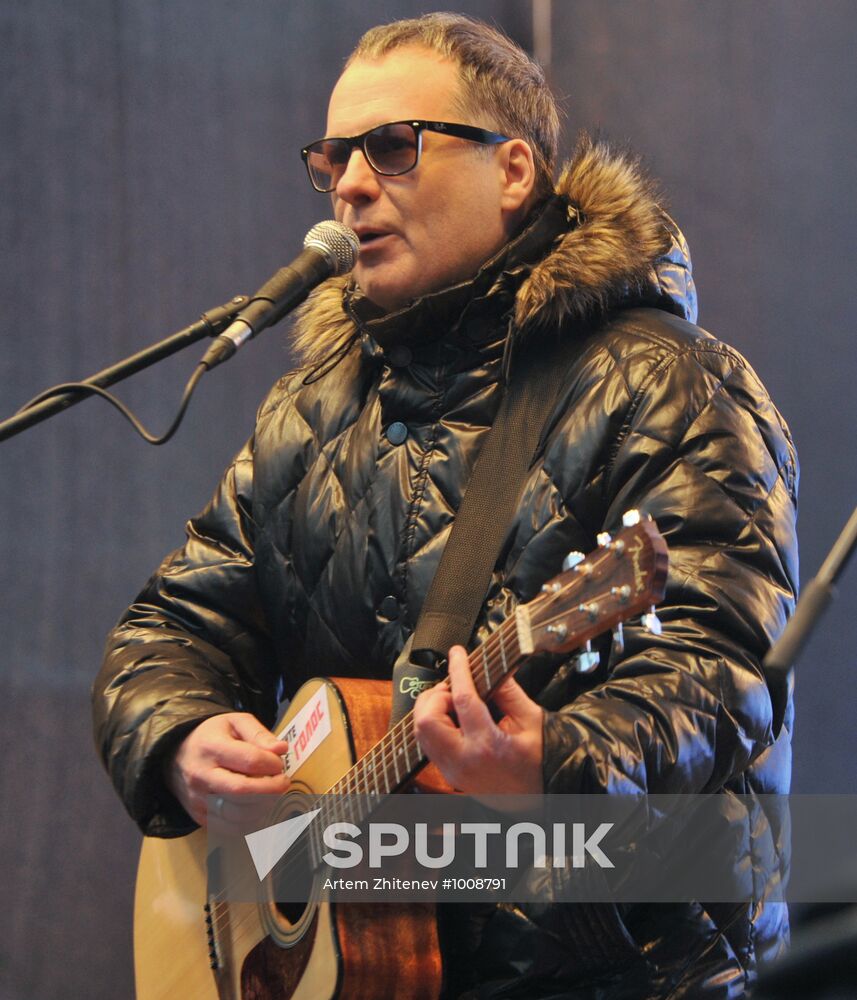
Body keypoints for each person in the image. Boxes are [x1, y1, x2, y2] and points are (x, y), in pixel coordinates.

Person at [93, 12, 799, 999]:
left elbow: (722, 669)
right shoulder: (316, 408)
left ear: (511, 171)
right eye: (334, 157)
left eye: (391, 147)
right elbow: (172, 626)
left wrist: (555, 759)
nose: (348, 184)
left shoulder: (669, 385)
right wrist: (177, 740)